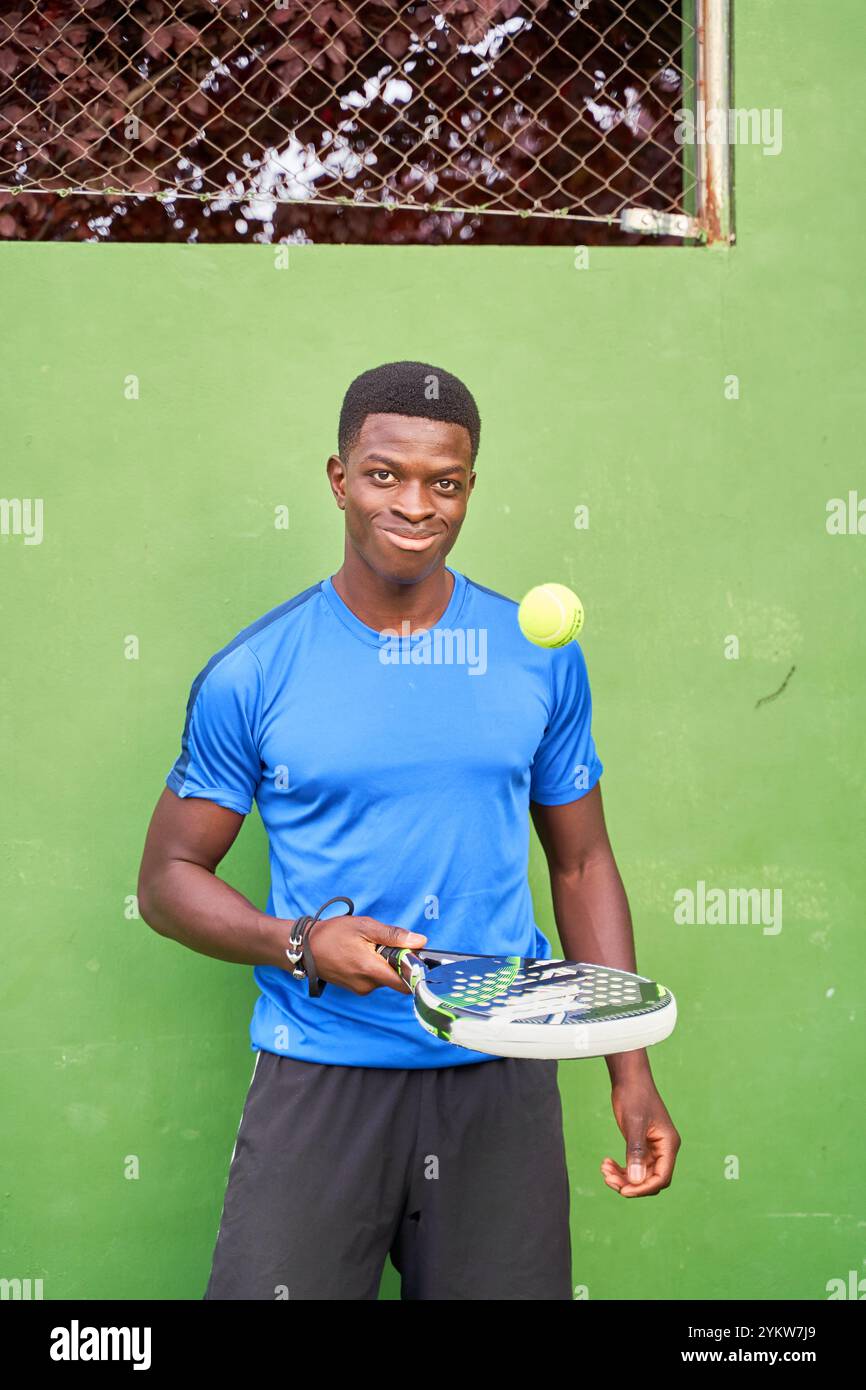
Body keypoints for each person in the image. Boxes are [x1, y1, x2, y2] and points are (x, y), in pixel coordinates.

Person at [137, 360, 680, 1301]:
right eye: (387, 474)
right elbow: (167, 880)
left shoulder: (536, 656)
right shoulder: (255, 671)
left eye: (447, 481)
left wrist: (627, 1067)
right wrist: (300, 941)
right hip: (321, 1073)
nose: (417, 504)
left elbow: (583, 860)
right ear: (339, 478)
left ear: (470, 490)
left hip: (498, 1072)